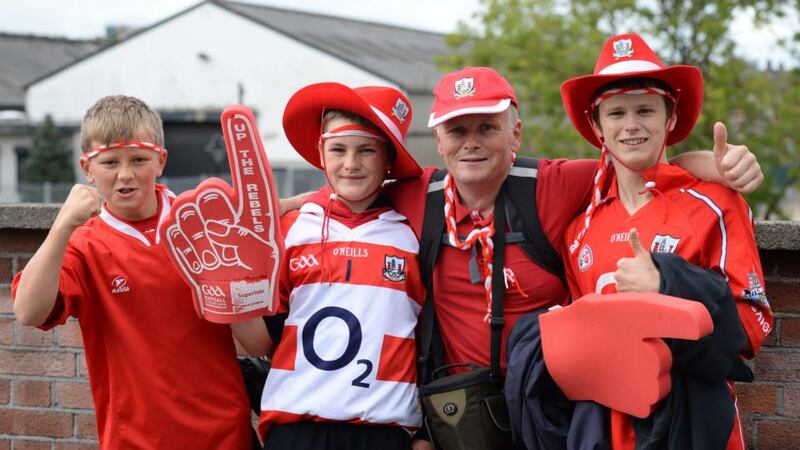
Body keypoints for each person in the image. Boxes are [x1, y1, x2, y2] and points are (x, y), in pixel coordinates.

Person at [383, 65, 762, 377]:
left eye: (486, 128)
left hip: (549, 410)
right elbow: (356, 189)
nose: (471, 142)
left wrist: (714, 166)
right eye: (456, 131)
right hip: (462, 417)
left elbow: (637, 162)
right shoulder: (417, 197)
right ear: (438, 141)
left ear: (515, 135)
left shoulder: (556, 185)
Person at [560, 33, 772, 449]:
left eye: (645, 110)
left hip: (695, 428)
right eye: (616, 113)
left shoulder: (716, 203)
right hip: (604, 430)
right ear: (597, 127)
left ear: (670, 119)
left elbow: (752, 329)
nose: (631, 125)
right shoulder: (578, 230)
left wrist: (668, 288)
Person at [11, 95, 252, 449]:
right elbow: (28, 312)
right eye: (110, 162)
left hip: (224, 433)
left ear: (160, 160)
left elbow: (259, 218)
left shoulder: (199, 222)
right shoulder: (85, 243)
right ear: (87, 168)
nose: (125, 174)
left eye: (139, 159)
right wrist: (61, 225)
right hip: (135, 439)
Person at [230, 83, 428, 450]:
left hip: (384, 431)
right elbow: (263, 341)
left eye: (366, 150)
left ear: (388, 159)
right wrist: (228, 290)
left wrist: (427, 434)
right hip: (296, 428)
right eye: (338, 149)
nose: (351, 164)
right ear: (321, 153)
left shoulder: (414, 232)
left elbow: (433, 340)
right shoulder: (291, 229)